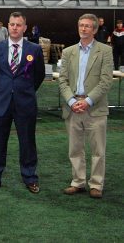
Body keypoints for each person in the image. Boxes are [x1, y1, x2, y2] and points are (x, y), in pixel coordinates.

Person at [0, 12, 45, 194]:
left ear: (25, 28)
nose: (15, 27)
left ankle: (30, 177)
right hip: (2, 103)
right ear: (7, 26)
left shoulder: (35, 49)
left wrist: (23, 90)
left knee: (27, 143)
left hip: (25, 103)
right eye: (12, 24)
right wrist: (4, 88)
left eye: (19, 25)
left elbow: (39, 76)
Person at [59, 14, 113, 199]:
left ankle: (96, 184)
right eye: (81, 25)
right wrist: (72, 101)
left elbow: (106, 82)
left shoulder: (105, 51)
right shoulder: (68, 52)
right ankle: (78, 182)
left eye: (88, 26)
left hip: (95, 108)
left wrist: (88, 101)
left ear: (95, 29)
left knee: (98, 150)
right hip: (72, 107)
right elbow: (63, 81)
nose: (83, 29)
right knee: (75, 148)